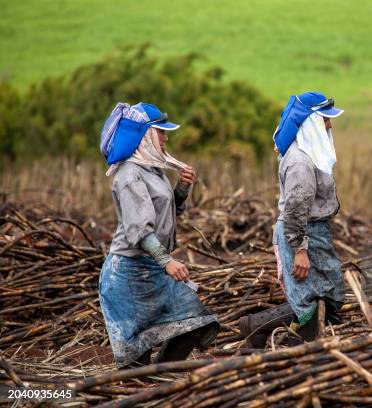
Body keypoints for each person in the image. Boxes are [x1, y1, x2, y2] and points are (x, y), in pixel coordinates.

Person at [98, 102, 219, 368]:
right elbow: (140, 230)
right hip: (128, 276)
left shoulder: (153, 170)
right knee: (135, 363)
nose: (166, 138)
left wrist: (183, 189)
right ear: (143, 136)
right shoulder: (128, 175)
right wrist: (167, 261)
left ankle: (164, 379)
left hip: (151, 270)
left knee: (195, 323)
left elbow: (165, 212)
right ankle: (150, 389)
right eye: (160, 132)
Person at [240, 92, 345, 348]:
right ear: (310, 123)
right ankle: (256, 327)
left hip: (314, 232)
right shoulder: (300, 161)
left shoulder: (308, 154)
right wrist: (300, 249)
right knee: (311, 306)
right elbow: (296, 210)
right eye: (324, 120)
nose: (329, 125)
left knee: (329, 299)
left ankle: (284, 343)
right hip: (301, 234)